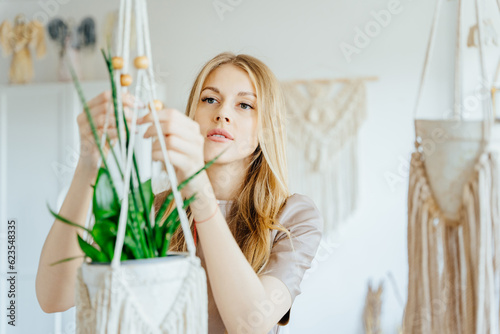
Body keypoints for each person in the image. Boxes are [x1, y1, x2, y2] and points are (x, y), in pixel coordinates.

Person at [36, 51, 323, 334]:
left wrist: (199, 189)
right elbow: (52, 297)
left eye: (245, 105)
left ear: (267, 128)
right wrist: (88, 164)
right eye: (210, 99)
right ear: (192, 115)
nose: (222, 113)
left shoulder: (294, 217)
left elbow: (251, 325)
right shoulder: (148, 212)